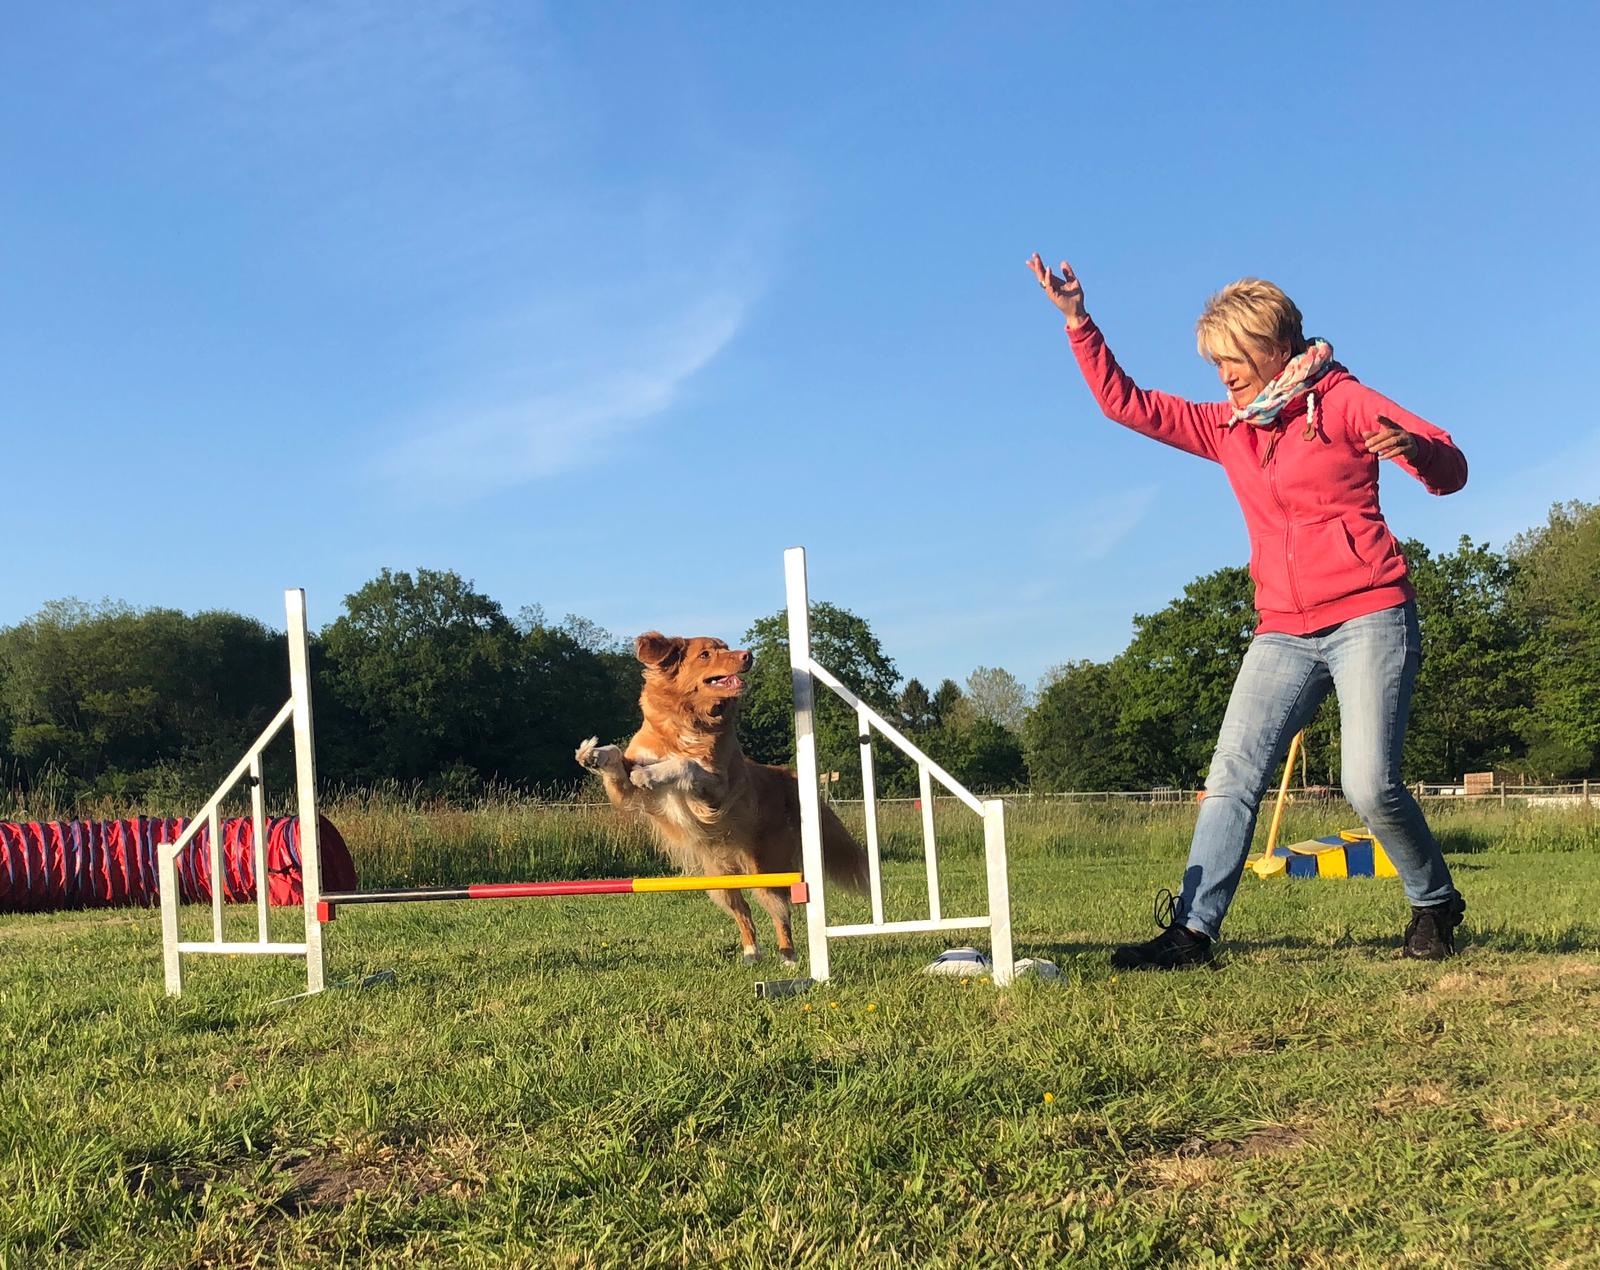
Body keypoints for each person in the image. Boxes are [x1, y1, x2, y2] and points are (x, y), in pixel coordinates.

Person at [1026, 253, 1469, 968]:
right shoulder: (1229, 428)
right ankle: (1194, 932)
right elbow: (1126, 404)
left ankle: (1434, 900)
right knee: (1231, 776)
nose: (1225, 374)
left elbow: (1452, 467)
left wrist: (1413, 449)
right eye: (1216, 363)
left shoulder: (1346, 401)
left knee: (1368, 784)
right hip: (1283, 631)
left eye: (1233, 358)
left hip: (1370, 615)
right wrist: (1079, 322)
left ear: (1274, 347)